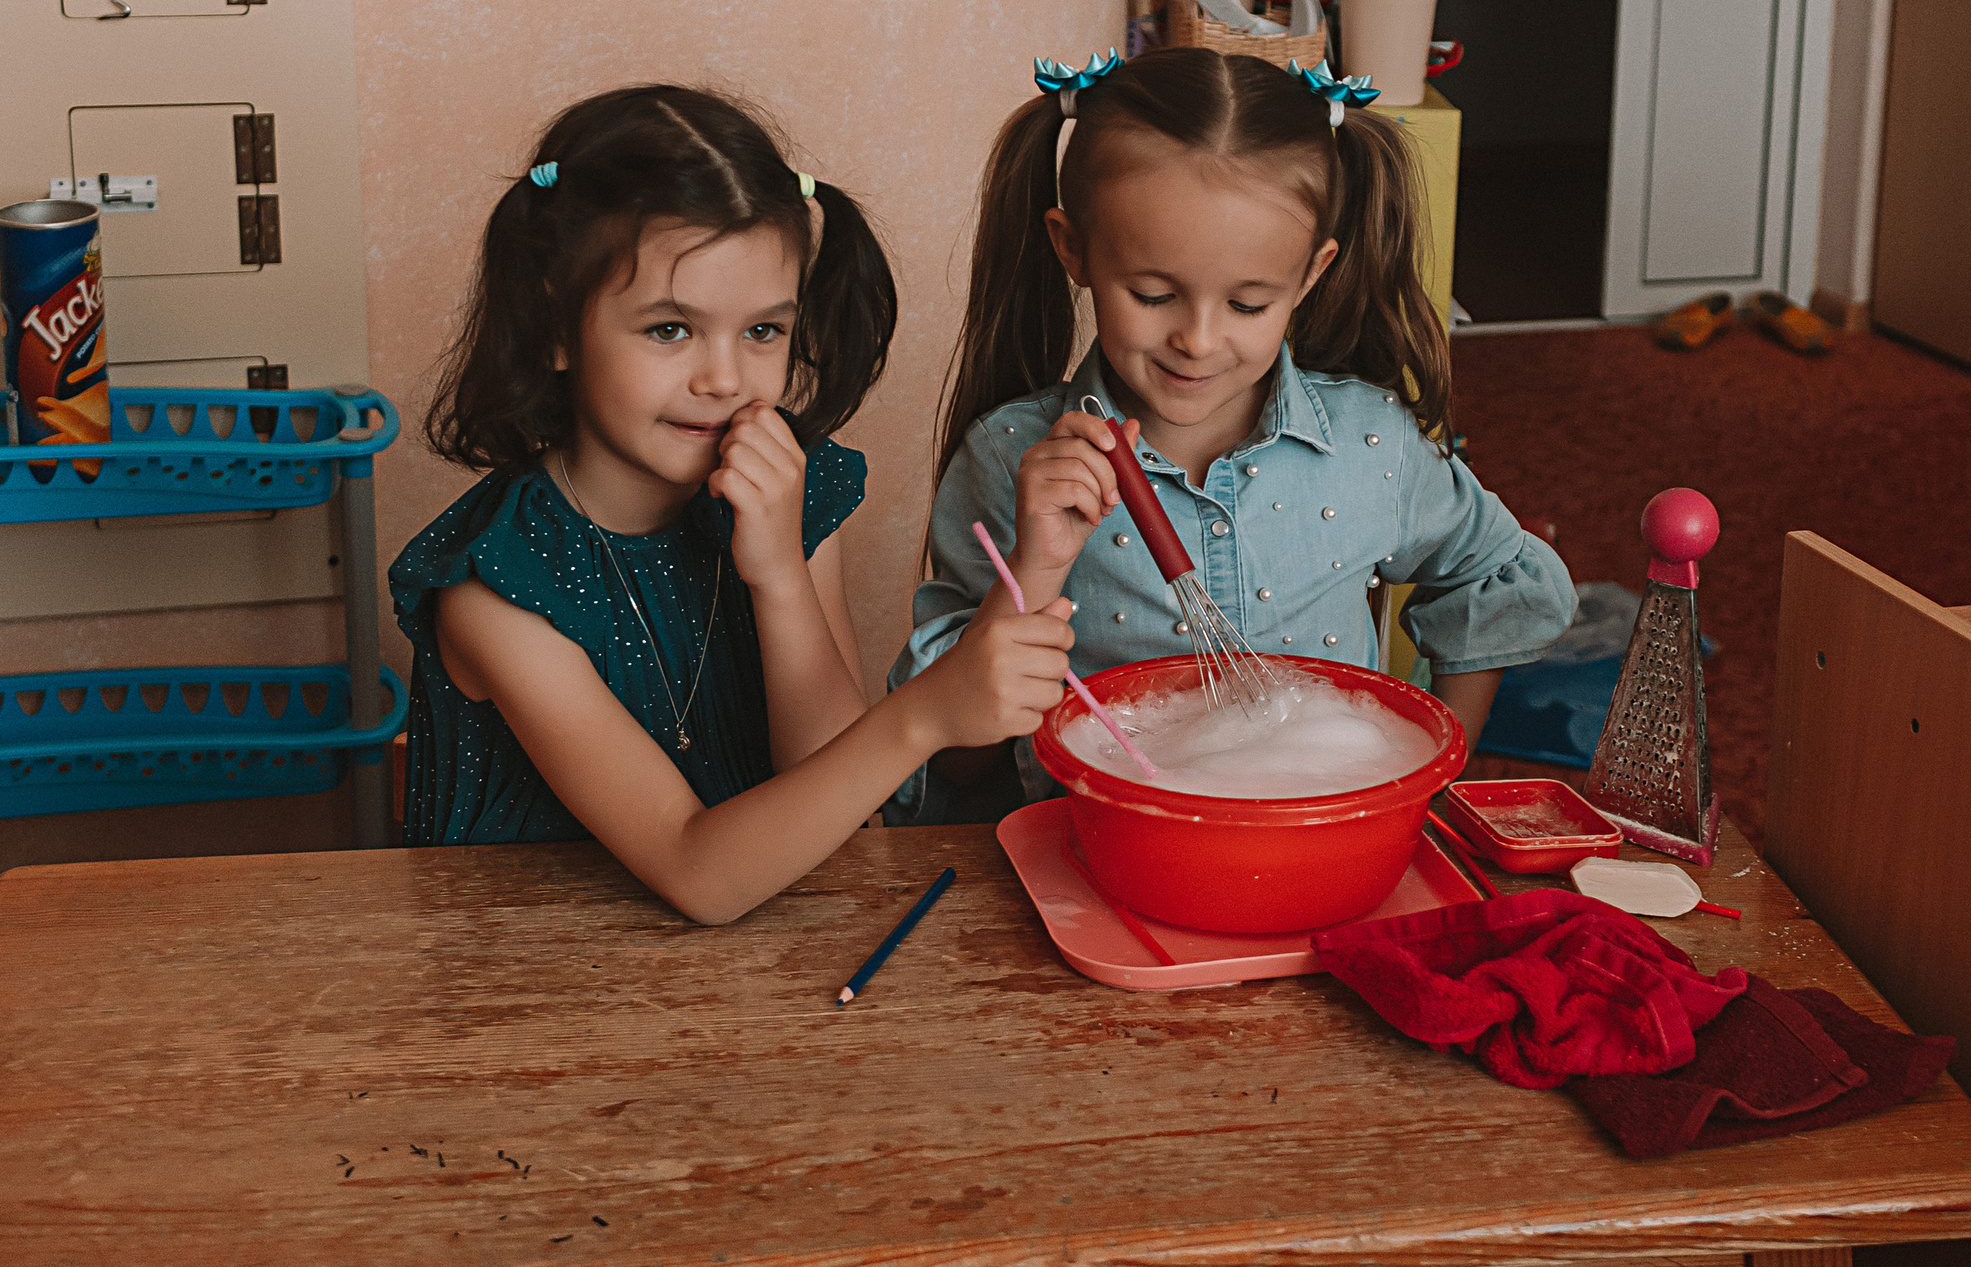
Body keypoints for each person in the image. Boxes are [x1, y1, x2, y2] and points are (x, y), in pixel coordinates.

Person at [394, 85, 1074, 922]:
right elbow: (698, 872)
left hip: (756, 965)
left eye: (763, 331)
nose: (724, 379)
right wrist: (928, 713)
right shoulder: (494, 588)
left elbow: (841, 800)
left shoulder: (787, 487)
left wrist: (780, 571)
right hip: (535, 981)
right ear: (554, 326)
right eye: (670, 329)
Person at [886, 47, 1574, 821]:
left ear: (1309, 276)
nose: (1199, 340)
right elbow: (953, 758)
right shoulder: (1010, 458)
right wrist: (1035, 569)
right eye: (1152, 294)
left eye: (1248, 304)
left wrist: (1434, 774)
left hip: (1327, 861)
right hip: (1107, 861)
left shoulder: (1371, 448)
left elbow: (1489, 577)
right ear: (1072, 248)